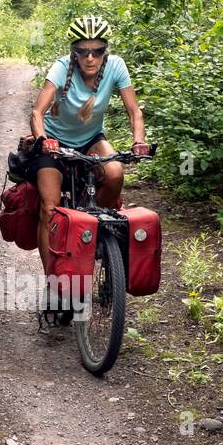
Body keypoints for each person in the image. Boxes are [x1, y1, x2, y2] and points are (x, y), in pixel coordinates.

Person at [24, 16, 149, 290]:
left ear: (106, 51)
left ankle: (94, 233)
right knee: (49, 206)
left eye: (97, 51)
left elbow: (134, 111)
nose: (90, 58)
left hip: (91, 138)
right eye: (83, 52)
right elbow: (37, 112)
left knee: (115, 172)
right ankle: (54, 282)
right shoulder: (60, 68)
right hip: (54, 143)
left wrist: (139, 141)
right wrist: (43, 139)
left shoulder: (116, 66)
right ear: (74, 53)